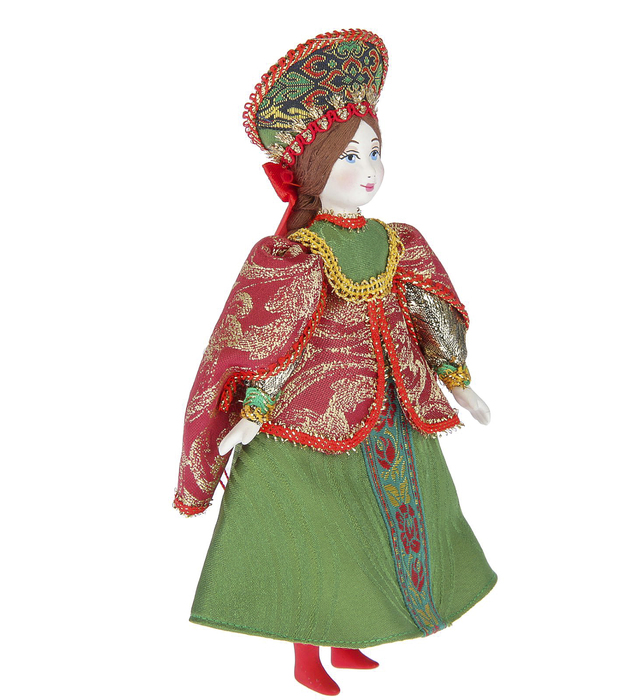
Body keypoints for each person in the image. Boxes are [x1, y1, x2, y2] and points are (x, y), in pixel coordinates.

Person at [174, 29, 497, 696]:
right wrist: (252, 414)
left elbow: (427, 313)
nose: (369, 169)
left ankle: (351, 636)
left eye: (375, 152)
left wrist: (458, 381)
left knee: (383, 521)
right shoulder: (294, 254)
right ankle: (306, 656)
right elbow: (273, 336)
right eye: (351, 156)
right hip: (309, 423)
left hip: (394, 410)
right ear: (316, 170)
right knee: (314, 537)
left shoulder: (399, 241)